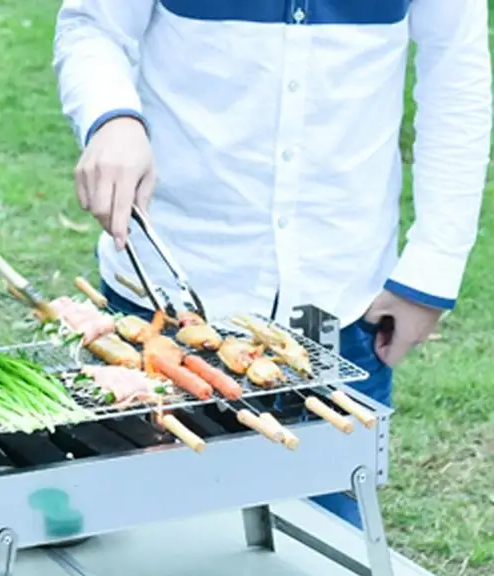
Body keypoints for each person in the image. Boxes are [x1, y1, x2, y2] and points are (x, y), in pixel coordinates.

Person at [53, 0, 491, 527]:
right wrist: (112, 117)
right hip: (166, 290)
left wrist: (432, 268)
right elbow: (92, 25)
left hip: (339, 300)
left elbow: (456, 71)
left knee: (325, 562)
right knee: (149, 553)